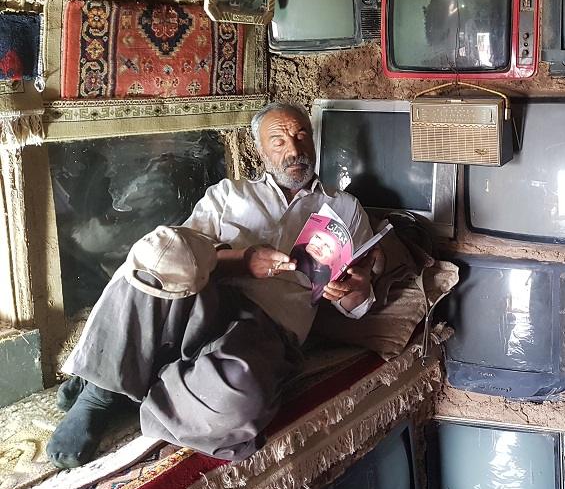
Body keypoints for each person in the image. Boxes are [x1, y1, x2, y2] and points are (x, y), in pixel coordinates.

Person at [46, 102, 380, 468]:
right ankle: (99, 394)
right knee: (151, 258)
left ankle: (136, 385)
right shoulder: (227, 194)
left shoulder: (345, 209)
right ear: (260, 150)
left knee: (242, 395)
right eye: (279, 140)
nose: (294, 150)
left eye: (301, 136)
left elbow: (358, 304)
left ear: (313, 140)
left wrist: (353, 287)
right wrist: (243, 261)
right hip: (203, 300)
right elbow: (178, 256)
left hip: (267, 329)